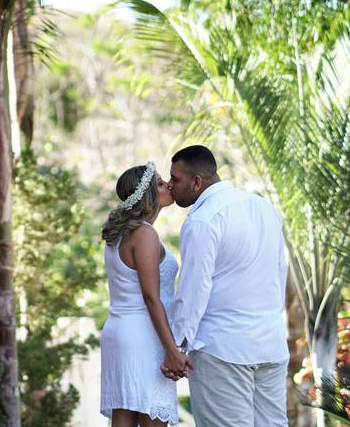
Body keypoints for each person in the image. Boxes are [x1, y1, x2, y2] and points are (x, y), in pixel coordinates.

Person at [168, 145, 289, 427]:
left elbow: (193, 289)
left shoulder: (203, 219)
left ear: (196, 182)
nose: (171, 186)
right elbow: (279, 273)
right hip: (270, 345)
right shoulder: (264, 208)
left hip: (222, 349)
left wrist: (177, 347)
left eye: (175, 180)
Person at [100, 162, 189, 427]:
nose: (168, 186)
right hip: (143, 336)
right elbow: (151, 297)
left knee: (124, 419)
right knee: (153, 417)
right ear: (147, 195)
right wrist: (171, 349)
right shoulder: (144, 234)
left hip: (119, 332)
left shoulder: (119, 235)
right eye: (161, 184)